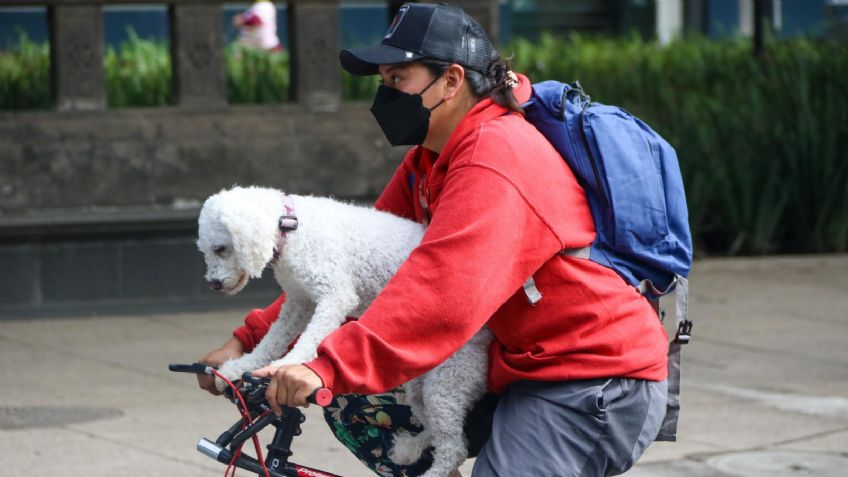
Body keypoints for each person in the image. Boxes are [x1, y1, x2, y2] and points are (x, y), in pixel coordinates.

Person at [198, 3, 669, 476]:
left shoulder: (495, 158)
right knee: (354, 401)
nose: (385, 94)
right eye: (381, 81)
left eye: (398, 79)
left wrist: (325, 366)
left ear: (451, 80)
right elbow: (349, 263)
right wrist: (247, 342)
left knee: (347, 376)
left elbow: (440, 294)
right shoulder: (430, 159)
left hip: (588, 378)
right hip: (516, 364)